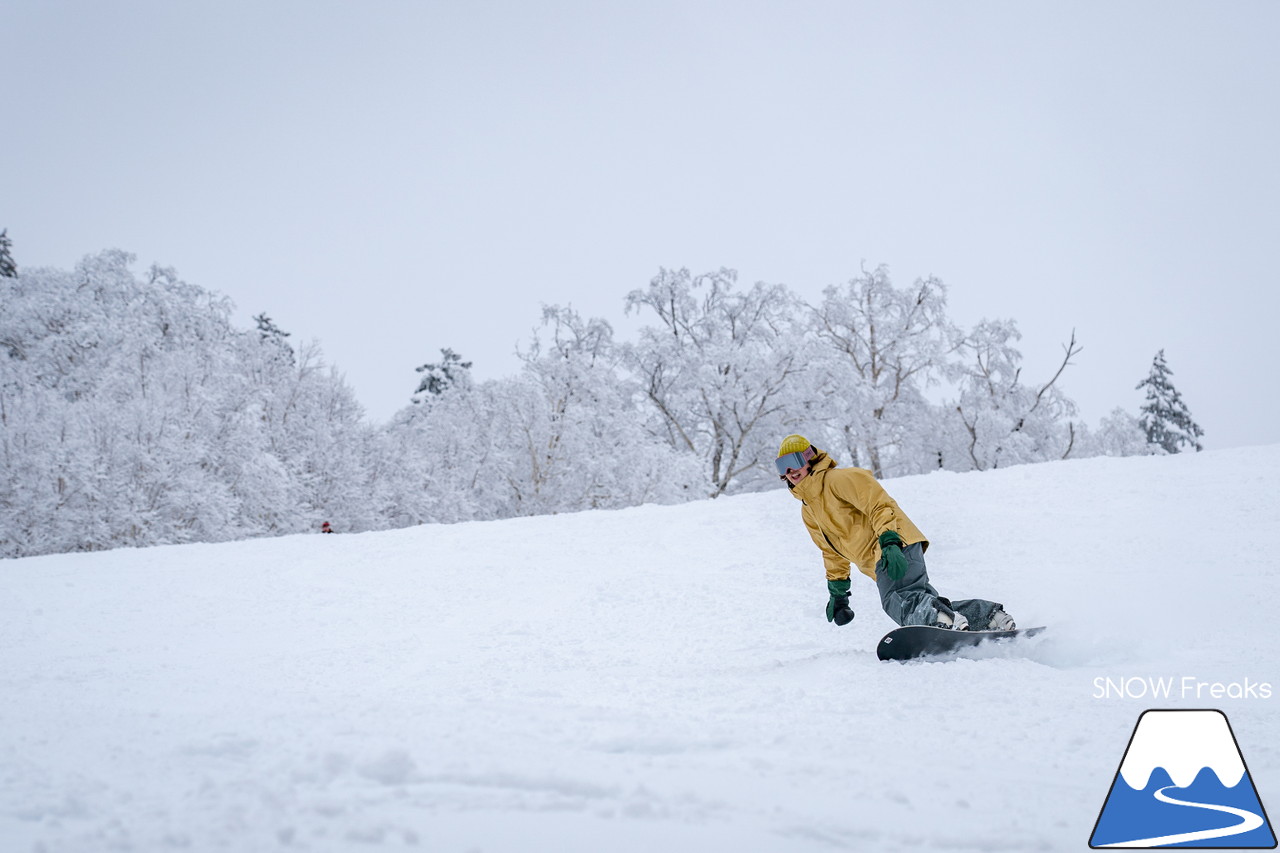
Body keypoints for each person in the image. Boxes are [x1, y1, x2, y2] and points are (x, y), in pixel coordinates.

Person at [776, 434, 1016, 631]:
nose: (789, 470)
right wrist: (838, 594)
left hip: (891, 547)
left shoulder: (838, 479)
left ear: (809, 458)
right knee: (917, 601)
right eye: (781, 466)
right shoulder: (809, 511)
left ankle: (942, 623)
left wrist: (890, 541)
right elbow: (831, 552)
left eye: (794, 461)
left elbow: (879, 505)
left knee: (898, 601)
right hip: (892, 552)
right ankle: (989, 617)